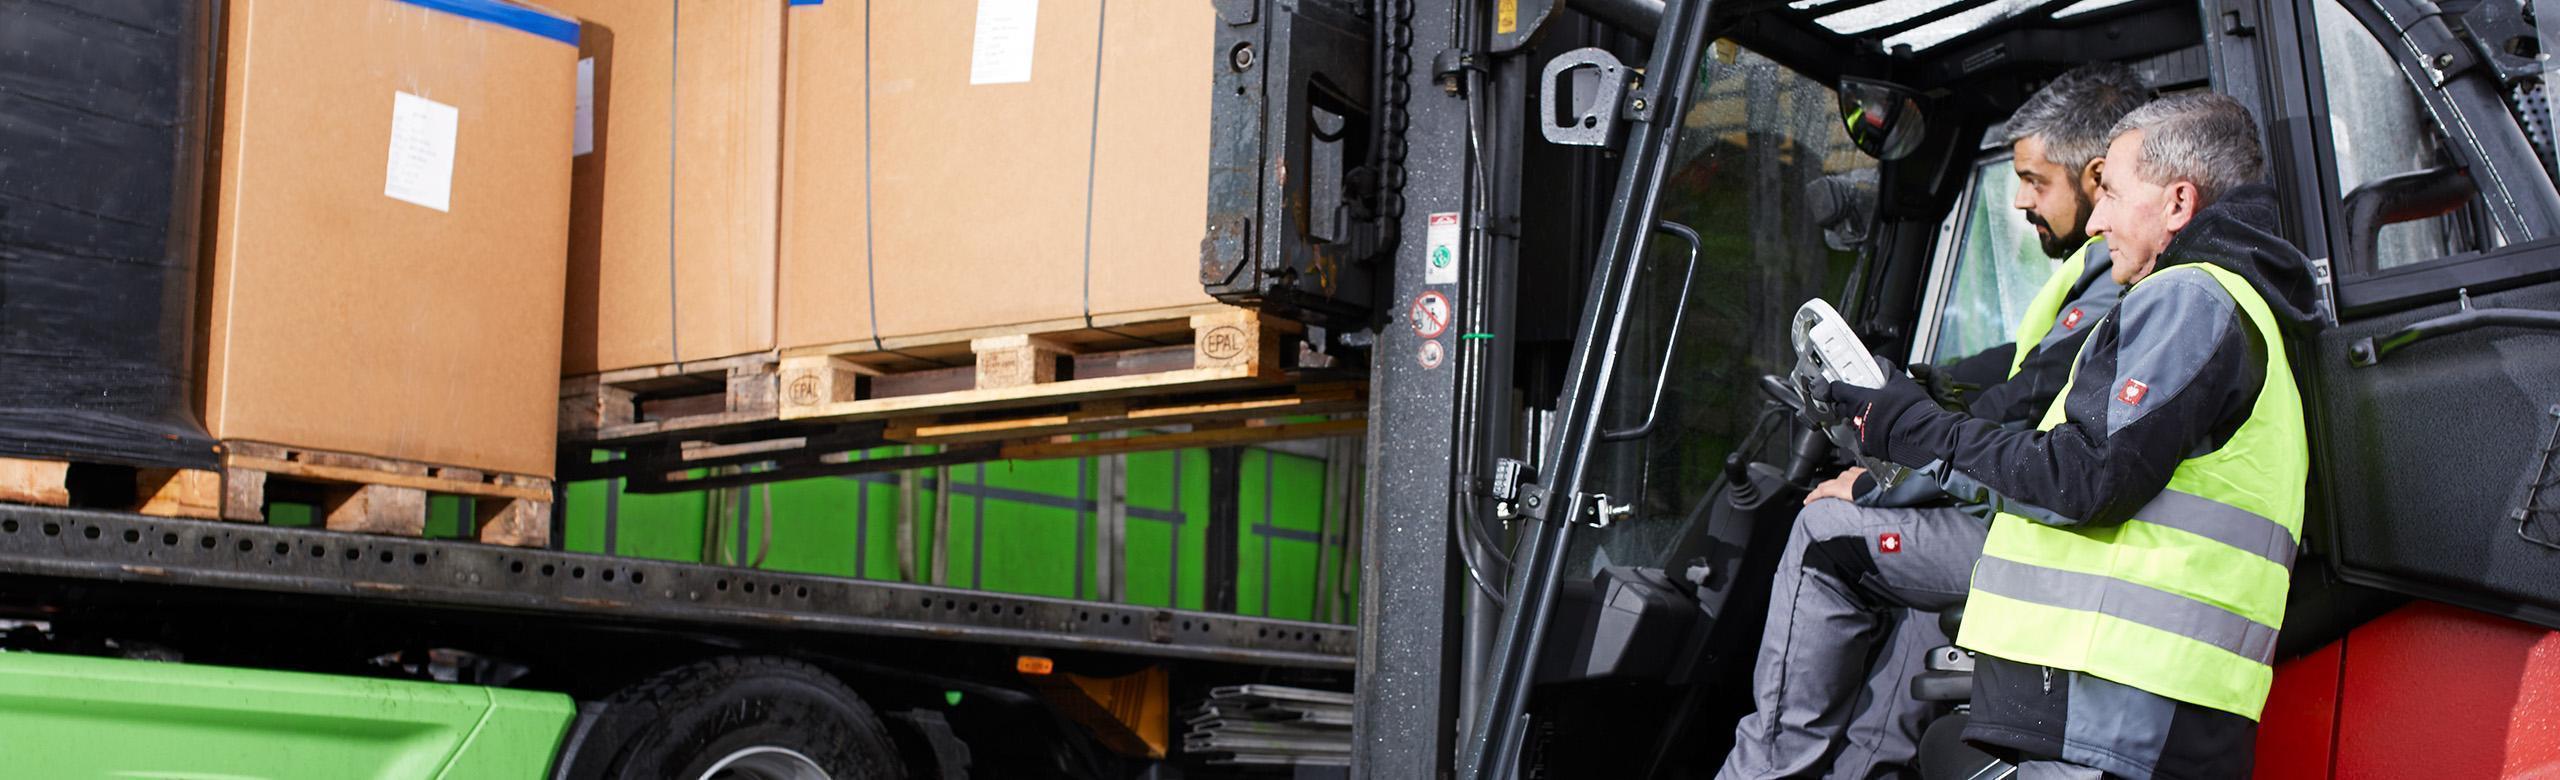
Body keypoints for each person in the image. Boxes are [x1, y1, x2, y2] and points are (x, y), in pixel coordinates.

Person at [1823, 93, 2318, 778]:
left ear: (2178, 203)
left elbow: (2081, 478)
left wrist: (1916, 431)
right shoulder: (2230, 305)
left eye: (2110, 192)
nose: (2098, 221)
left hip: (2120, 707)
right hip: (2130, 705)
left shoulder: (2190, 299)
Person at [1716, 63, 2148, 780]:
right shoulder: (2105, 276)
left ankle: (1765, 772)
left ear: (2098, 176)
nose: (2021, 202)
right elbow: (2018, 374)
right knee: (1917, 571)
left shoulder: (2123, 276)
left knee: (1823, 535)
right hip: (2063, 526)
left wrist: (1876, 484)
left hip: (2072, 540)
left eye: (2037, 182)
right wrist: (1926, 385)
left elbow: (2027, 406)